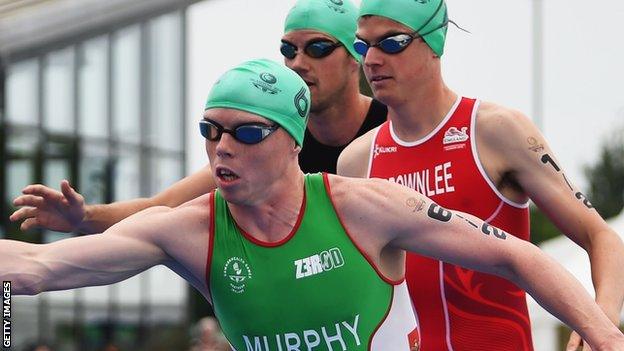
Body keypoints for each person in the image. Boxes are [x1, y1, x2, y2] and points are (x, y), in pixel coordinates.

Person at [1, 59, 623, 351]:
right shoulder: (187, 232)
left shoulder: (364, 207)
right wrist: (83, 222)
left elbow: (518, 256)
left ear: (291, 142)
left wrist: (602, 334)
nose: (222, 146)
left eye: (245, 132)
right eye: (209, 131)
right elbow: (34, 269)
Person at [337, 1, 624, 350]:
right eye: (362, 46)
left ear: (434, 43)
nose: (372, 59)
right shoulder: (356, 162)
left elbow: (601, 236)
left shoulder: (495, 132)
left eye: (391, 43)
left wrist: (601, 320)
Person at [9, 0, 387, 235]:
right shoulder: (272, 141)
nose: (298, 63)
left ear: (357, 56)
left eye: (318, 48)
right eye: (289, 50)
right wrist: (85, 216)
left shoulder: (395, 126)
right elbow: (161, 207)